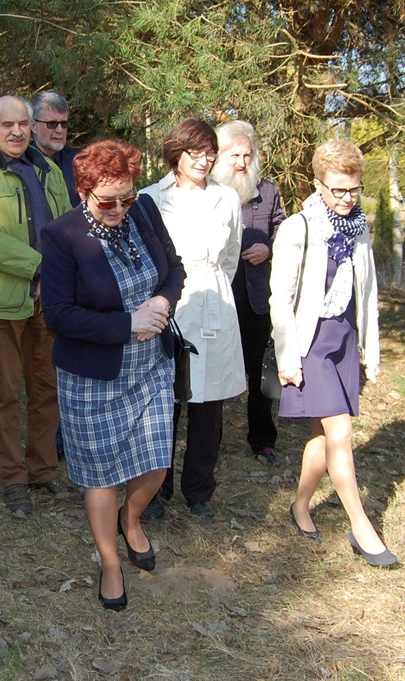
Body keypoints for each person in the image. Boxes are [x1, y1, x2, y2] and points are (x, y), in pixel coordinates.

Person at [42, 140, 185, 610]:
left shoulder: (141, 212)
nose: (120, 208)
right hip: (93, 377)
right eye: (108, 200)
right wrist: (128, 324)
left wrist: (163, 301)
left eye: (127, 196)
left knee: (156, 462)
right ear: (84, 191)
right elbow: (59, 315)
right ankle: (109, 562)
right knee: (101, 475)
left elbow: (174, 269)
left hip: (150, 368)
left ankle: (133, 519)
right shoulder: (62, 236)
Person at [271, 139, 398, 568]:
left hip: (343, 341)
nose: (346, 199)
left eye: (354, 189)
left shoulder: (359, 228)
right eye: (337, 189)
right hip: (310, 343)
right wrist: (288, 356)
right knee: (340, 431)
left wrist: (370, 351)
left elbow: (368, 293)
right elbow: (280, 299)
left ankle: (301, 505)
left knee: (323, 436)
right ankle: (362, 526)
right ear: (317, 184)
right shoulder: (298, 228)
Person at [0, 95, 72, 515]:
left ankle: (43, 471)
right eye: (7, 125)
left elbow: (66, 227)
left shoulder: (50, 170)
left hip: (49, 301)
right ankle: (13, 478)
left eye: (23, 123)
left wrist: (63, 273)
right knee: (5, 393)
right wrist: (41, 268)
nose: (17, 131)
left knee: (47, 389)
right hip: (1, 301)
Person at [140, 118, 245, 520]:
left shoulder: (228, 199)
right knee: (166, 401)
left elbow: (231, 256)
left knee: (209, 406)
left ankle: (199, 490)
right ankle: (156, 491)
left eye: (209, 153)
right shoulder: (151, 198)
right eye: (194, 153)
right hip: (170, 304)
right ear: (175, 154)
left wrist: (214, 288)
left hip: (215, 303)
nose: (203, 161)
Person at [212, 120, 286, 467]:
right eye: (234, 155)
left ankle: (262, 439)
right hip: (217, 300)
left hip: (257, 298)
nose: (242, 162)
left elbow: (284, 231)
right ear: (219, 155)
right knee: (209, 372)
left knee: (258, 373)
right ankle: (205, 439)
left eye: (247, 154)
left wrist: (269, 248)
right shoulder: (207, 190)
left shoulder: (267, 191)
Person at [30, 90, 80, 208]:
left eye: (64, 123)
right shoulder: (20, 164)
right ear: (33, 126)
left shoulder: (81, 162)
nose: (59, 130)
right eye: (51, 124)